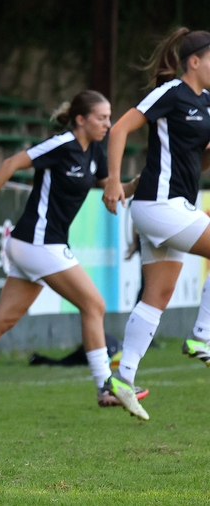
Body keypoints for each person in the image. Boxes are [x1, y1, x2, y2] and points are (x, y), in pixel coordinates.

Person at [0, 91, 147, 420]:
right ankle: (105, 386)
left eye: (109, 118)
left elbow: (113, 188)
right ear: (81, 119)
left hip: (35, 245)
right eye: (102, 117)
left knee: (2, 320)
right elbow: (10, 164)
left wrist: (141, 181)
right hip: (38, 242)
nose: (108, 123)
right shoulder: (61, 144)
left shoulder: (95, 153)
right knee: (94, 305)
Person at [103, 28, 210, 418]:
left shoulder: (208, 103)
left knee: (157, 297)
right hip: (159, 204)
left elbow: (197, 159)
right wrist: (114, 180)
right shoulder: (171, 93)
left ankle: (123, 379)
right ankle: (202, 336)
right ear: (194, 61)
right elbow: (119, 129)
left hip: (171, 207)